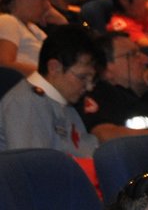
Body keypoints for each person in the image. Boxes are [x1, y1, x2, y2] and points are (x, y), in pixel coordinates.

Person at [0, 24, 100, 168]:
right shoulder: (25, 103)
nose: (89, 87)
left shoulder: (63, 102)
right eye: (83, 77)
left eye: (92, 79)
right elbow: (33, 170)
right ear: (54, 68)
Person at [0, 0, 53, 74]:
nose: (47, 6)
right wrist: (47, 76)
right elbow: (4, 64)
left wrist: (62, 21)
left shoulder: (34, 29)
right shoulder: (8, 21)